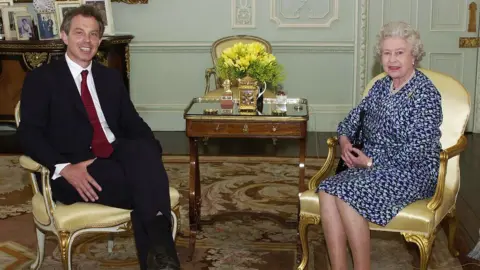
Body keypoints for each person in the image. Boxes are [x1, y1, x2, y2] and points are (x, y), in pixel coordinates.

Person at [18, 5, 179, 270]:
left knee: (142, 151)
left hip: (116, 154)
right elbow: (29, 133)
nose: (87, 40)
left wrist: (151, 152)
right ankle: (162, 256)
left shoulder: (110, 78)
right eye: (79, 33)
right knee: (149, 187)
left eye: (94, 34)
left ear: (100, 41)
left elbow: (133, 123)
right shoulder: (41, 79)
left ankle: (159, 257)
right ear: (64, 36)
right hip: (76, 168)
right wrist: (63, 168)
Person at [316, 21, 442, 270]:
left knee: (346, 194)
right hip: (371, 165)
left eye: (399, 52)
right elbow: (350, 121)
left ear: (413, 56)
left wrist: (371, 162)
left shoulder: (426, 94)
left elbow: (418, 150)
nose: (392, 59)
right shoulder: (381, 86)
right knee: (327, 190)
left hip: (412, 171)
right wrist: (345, 142)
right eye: (387, 53)